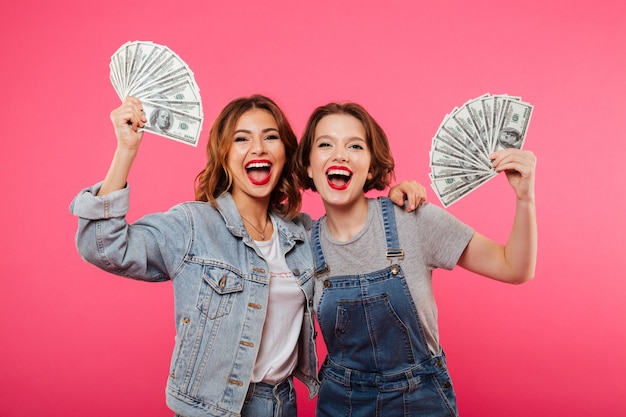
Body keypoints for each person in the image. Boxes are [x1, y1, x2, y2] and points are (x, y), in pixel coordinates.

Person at [70, 95, 421, 417]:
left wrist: (394, 201)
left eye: (270, 137)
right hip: (212, 409)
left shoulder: (303, 234)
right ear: (224, 154)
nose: (258, 148)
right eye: (242, 139)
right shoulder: (194, 225)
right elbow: (103, 247)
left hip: (283, 404)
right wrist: (126, 150)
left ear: (286, 152)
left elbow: (355, 231)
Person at [294, 102, 537, 417]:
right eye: (325, 144)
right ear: (309, 166)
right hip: (342, 403)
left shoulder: (413, 218)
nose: (340, 154)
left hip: (421, 400)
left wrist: (525, 197)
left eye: (354, 145)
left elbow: (514, 267)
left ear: (370, 167)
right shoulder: (300, 244)